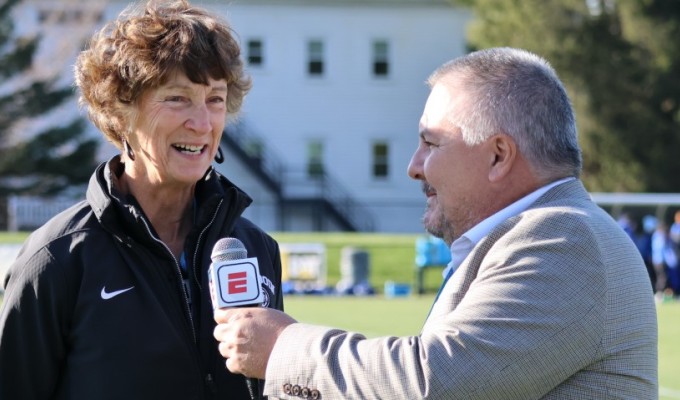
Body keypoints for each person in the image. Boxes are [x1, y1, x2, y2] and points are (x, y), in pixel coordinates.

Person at [213, 47, 658, 399]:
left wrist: (282, 349)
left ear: (498, 156)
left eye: (430, 143)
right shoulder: (536, 235)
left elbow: (434, 383)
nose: (413, 166)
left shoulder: (563, 238)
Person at [0, 1, 283, 399]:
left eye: (215, 99)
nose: (202, 123)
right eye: (177, 98)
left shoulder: (255, 250)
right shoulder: (55, 262)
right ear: (121, 109)